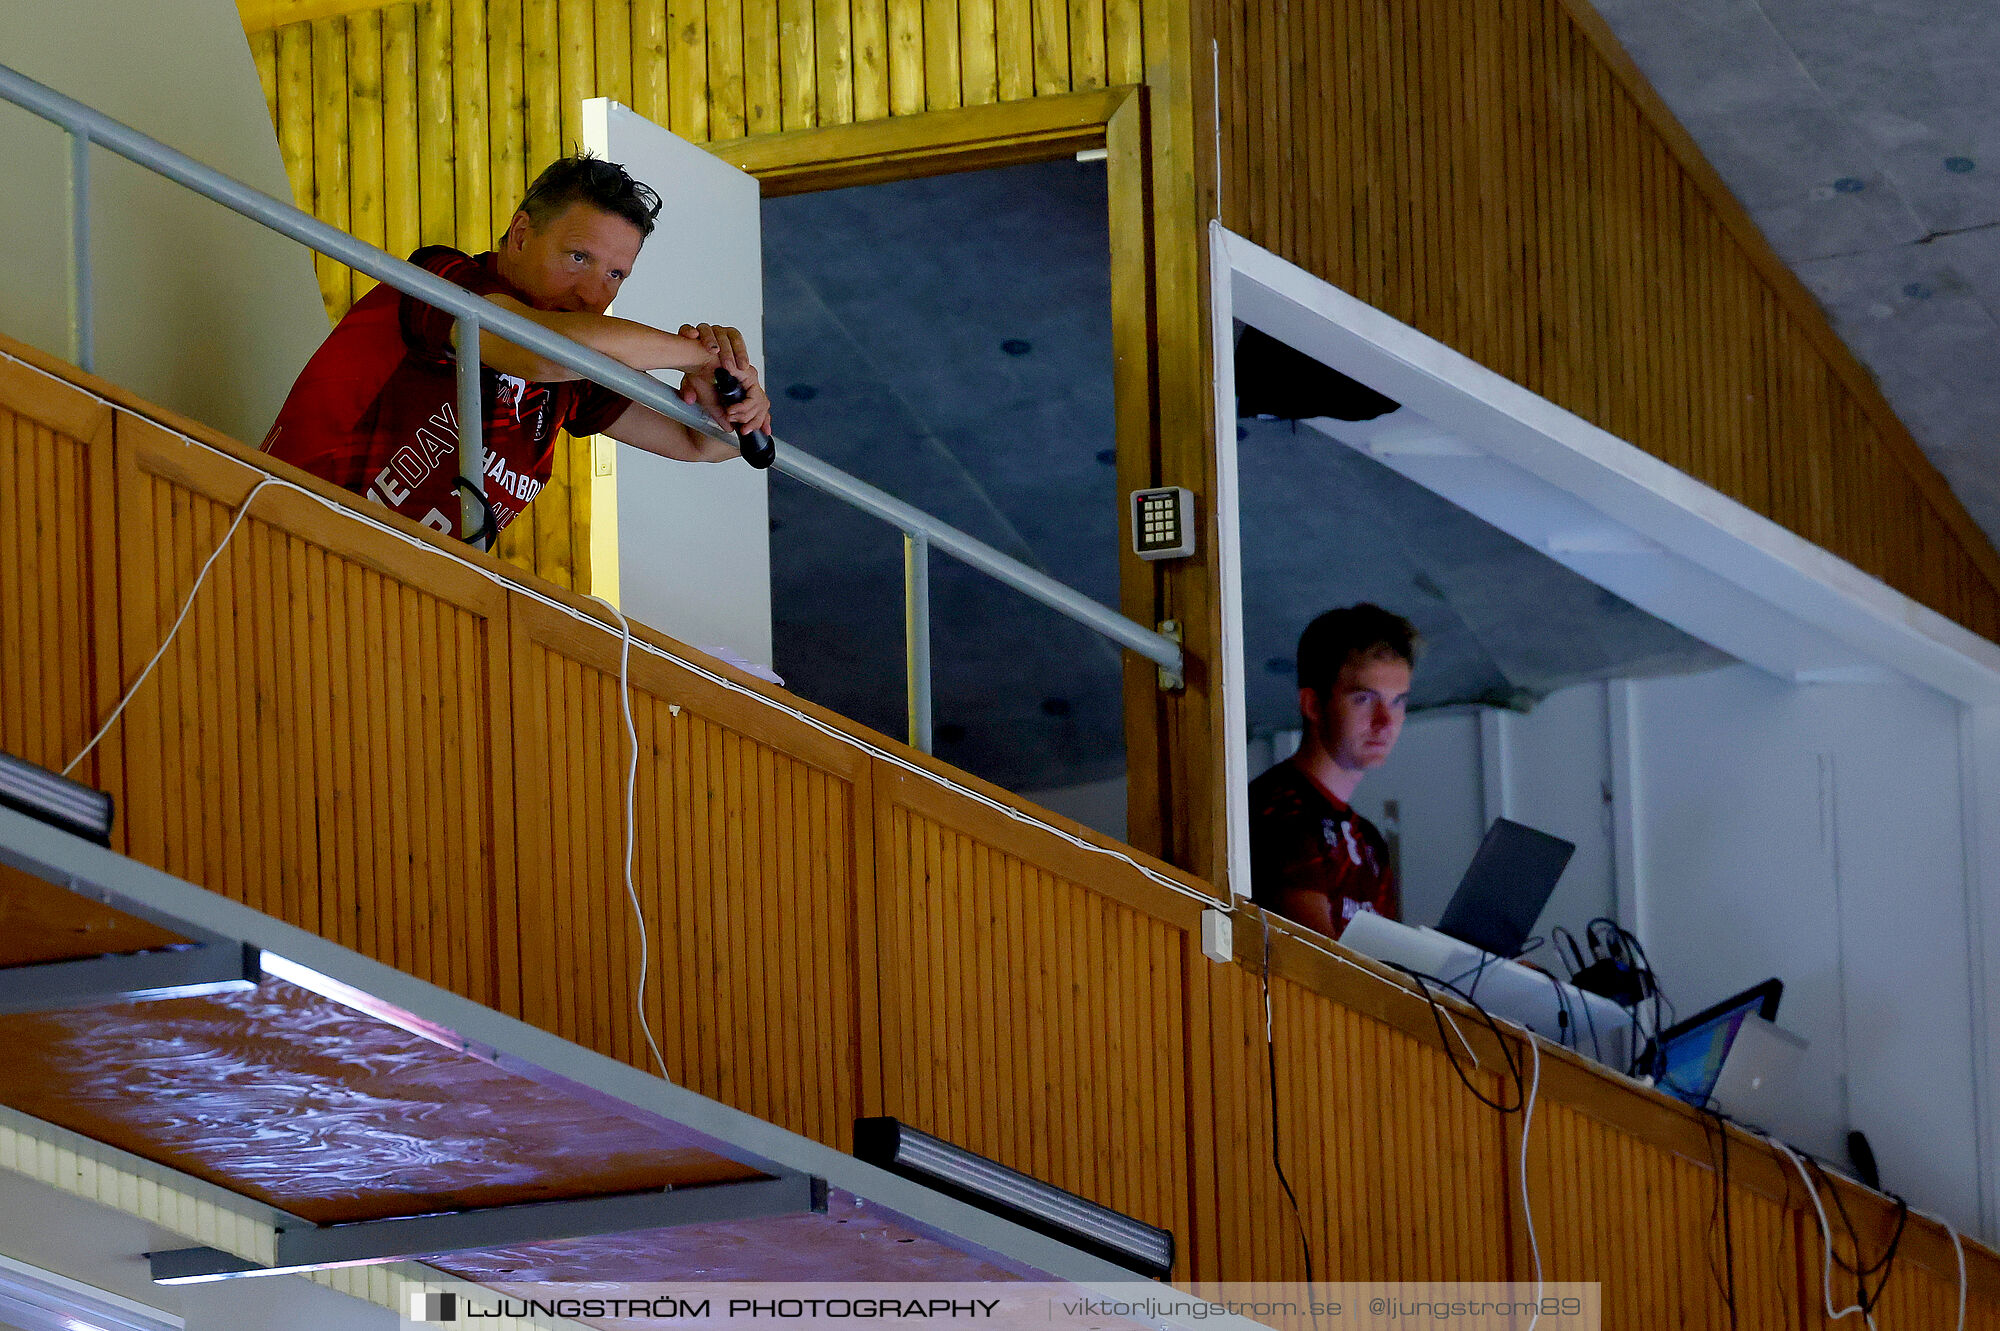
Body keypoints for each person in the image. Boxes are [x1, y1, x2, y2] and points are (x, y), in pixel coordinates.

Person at [262, 154, 771, 538]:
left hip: (407, 588)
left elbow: (698, 445)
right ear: (522, 234)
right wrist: (701, 354)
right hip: (292, 524)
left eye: (616, 274)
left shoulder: (575, 369)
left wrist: (730, 403)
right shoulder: (442, 279)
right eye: (578, 257)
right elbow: (540, 351)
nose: (594, 293)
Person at [1249, 603, 1417, 940]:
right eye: (1364, 699)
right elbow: (1321, 965)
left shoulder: (1369, 840)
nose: (1386, 721)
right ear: (1313, 705)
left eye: (1398, 701)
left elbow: (1387, 969)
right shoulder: (1279, 812)